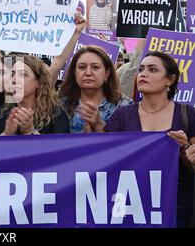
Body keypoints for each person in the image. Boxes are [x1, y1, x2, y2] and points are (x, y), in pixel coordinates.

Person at [104, 51, 195, 228]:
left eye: (153, 70)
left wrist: (184, 149)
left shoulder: (187, 114)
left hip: (177, 209)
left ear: (170, 80)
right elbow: (108, 161)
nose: (143, 74)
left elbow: (193, 164)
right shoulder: (122, 116)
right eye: (141, 69)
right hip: (130, 208)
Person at [0, 55, 69, 136]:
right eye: (12, 74)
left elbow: (59, 151)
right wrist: (6, 134)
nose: (14, 80)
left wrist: (30, 131)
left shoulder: (56, 115)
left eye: (23, 74)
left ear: (39, 82)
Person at [59, 45, 132, 133]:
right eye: (82, 67)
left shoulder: (126, 106)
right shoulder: (60, 106)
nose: (88, 73)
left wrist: (99, 126)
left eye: (95, 67)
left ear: (107, 73)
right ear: (74, 73)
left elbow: (131, 144)